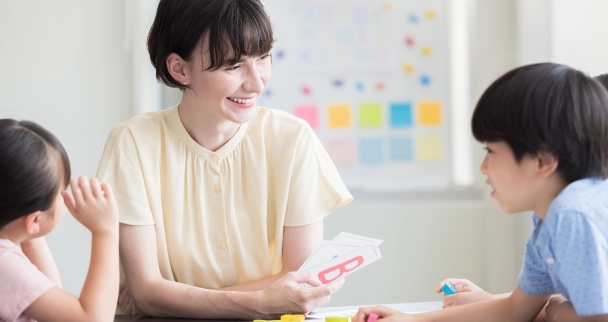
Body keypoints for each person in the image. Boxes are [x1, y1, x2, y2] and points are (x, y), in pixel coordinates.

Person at [355, 63, 608, 322]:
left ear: (542, 162)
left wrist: (554, 308)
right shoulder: (549, 220)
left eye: (491, 152)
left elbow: (598, 320)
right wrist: (414, 319)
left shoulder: (576, 213)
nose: (483, 168)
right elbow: (515, 309)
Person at [96, 0, 352, 319]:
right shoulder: (133, 144)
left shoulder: (292, 138)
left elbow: (300, 281)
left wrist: (169, 299)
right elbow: (149, 292)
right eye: (233, 66)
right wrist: (261, 300)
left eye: (263, 57)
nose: (256, 82)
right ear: (179, 69)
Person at [0, 119, 119, 322]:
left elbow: (50, 294)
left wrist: (30, 232)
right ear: (34, 218)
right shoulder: (4, 263)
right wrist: (105, 232)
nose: (67, 195)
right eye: (62, 192)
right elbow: (92, 319)